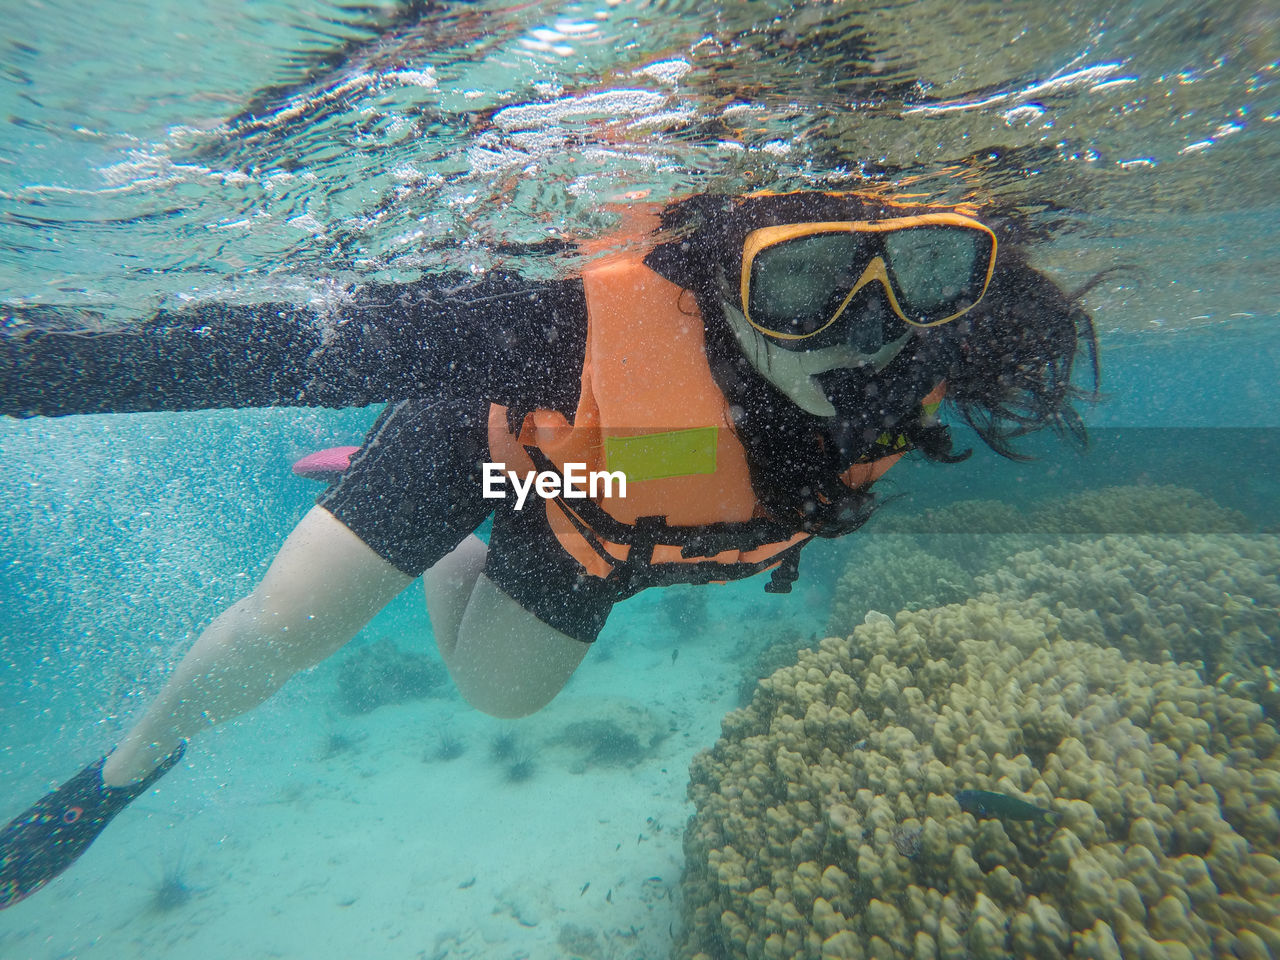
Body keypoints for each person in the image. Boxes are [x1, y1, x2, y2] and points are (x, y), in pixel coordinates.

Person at [0, 190, 1097, 909]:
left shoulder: (941, 329)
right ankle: (119, 773)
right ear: (719, 280)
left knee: (501, 697)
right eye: (803, 284)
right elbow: (257, 352)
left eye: (926, 272)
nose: (876, 328)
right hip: (489, 444)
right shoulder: (561, 328)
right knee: (288, 626)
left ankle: (445, 547)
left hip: (600, 507)